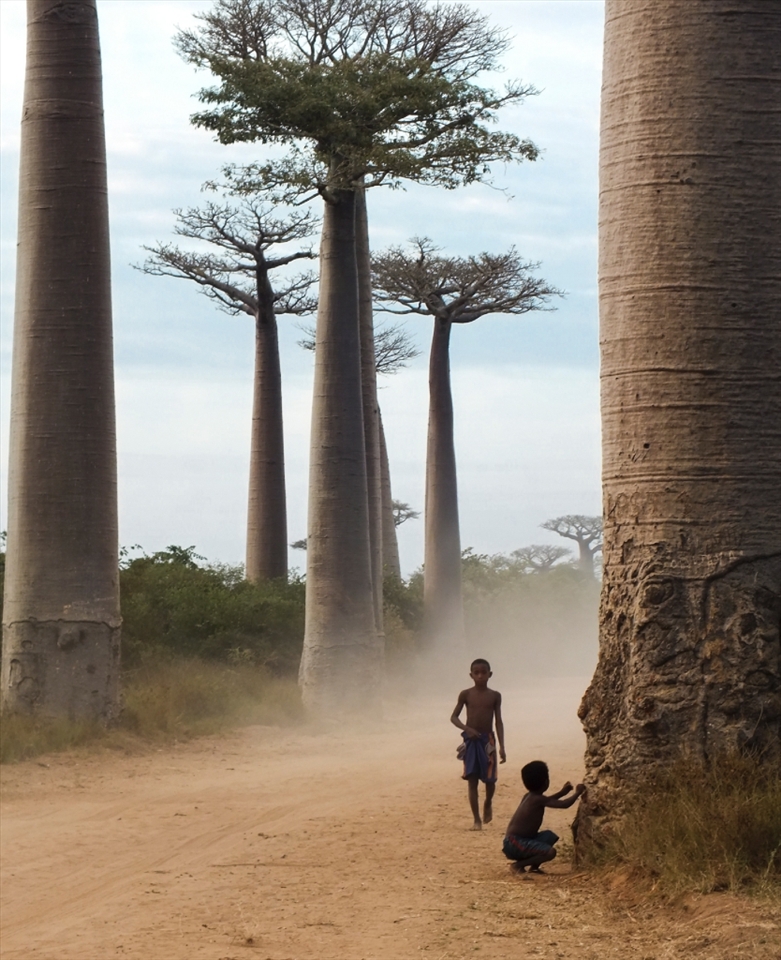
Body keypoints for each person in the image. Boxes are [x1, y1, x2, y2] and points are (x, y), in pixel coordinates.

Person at [450, 658, 506, 830]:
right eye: (477, 673)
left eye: (484, 672)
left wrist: (502, 746)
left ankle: (488, 802)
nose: (480, 676)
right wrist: (467, 729)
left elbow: (498, 721)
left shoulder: (495, 696)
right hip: (471, 741)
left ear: (490, 674)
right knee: (471, 779)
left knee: (490, 780)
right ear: (471, 675)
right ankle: (476, 820)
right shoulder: (466, 694)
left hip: (487, 740)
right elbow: (454, 717)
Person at [503, 760, 586, 873]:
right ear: (546, 782)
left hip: (515, 841)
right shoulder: (537, 799)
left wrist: (562, 792)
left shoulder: (530, 796)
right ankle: (518, 865)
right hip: (515, 843)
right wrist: (578, 793)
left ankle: (534, 867)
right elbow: (564, 805)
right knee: (550, 852)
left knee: (549, 836)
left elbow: (548, 800)